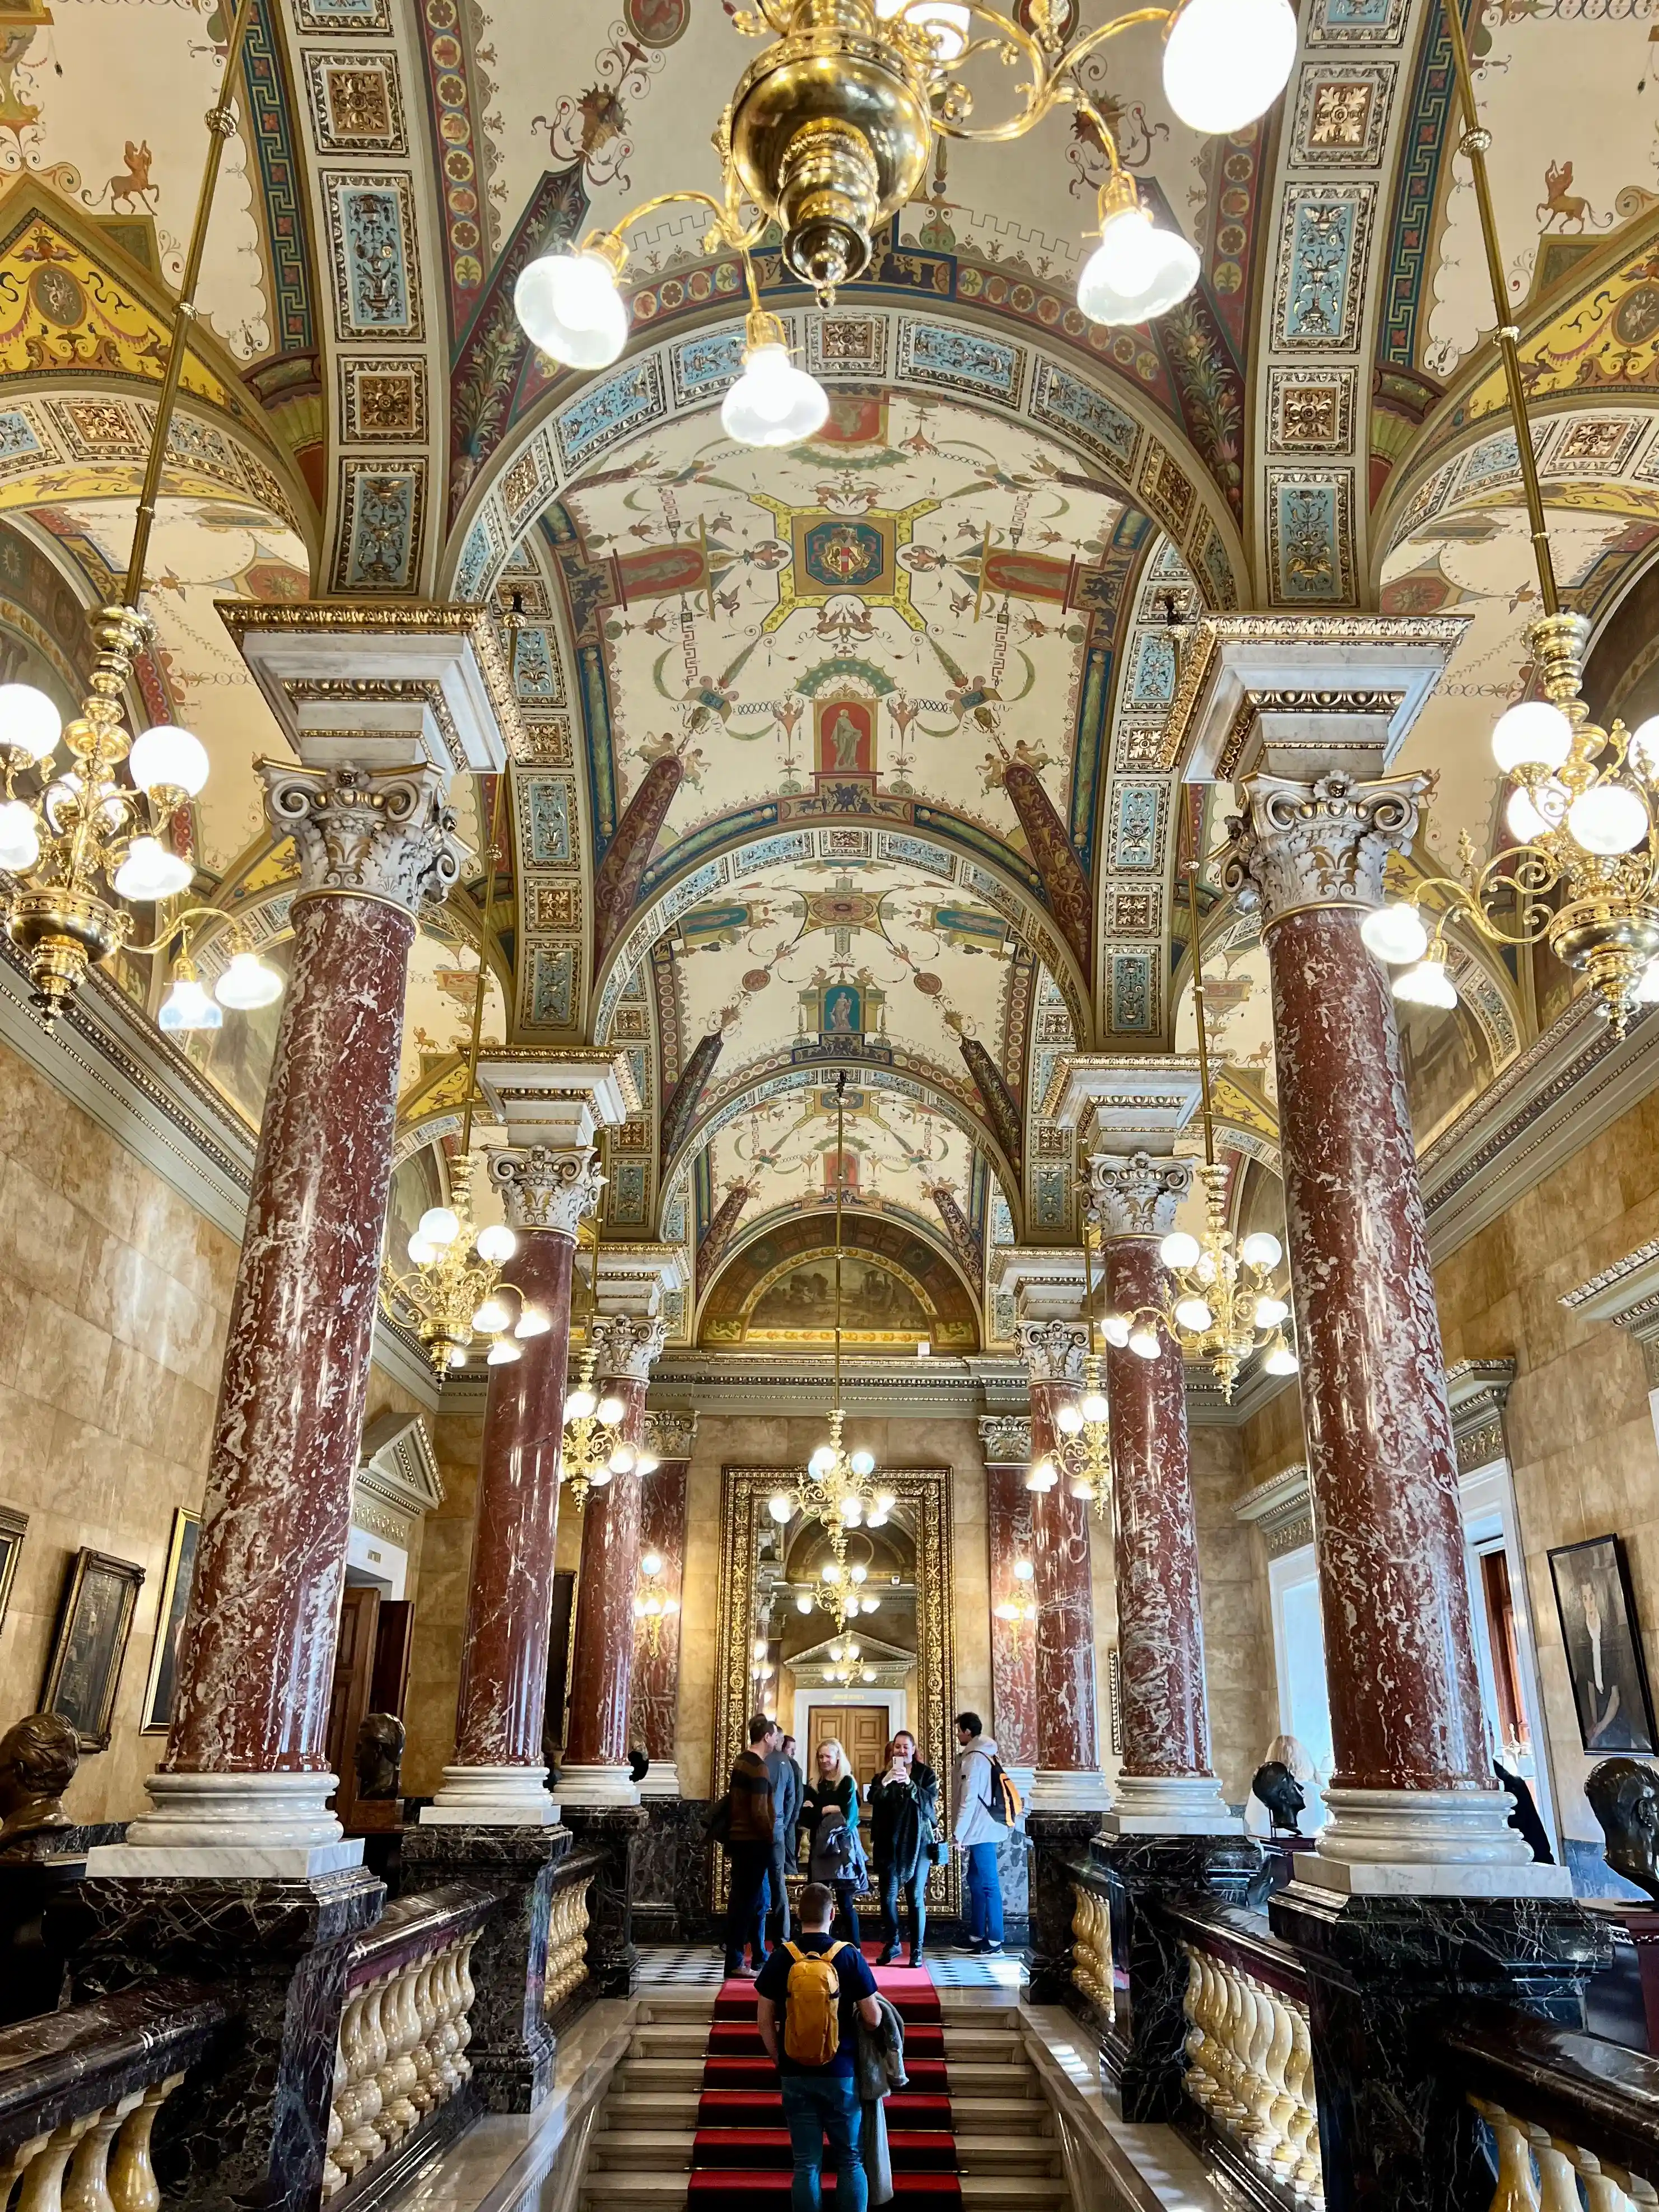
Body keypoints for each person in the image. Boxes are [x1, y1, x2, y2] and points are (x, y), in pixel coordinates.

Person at [756, 1880, 881, 2212]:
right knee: (850, 2160)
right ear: (833, 1914)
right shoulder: (849, 1956)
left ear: (798, 1915)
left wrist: (780, 2060)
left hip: (794, 2071)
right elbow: (873, 2018)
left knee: (806, 2164)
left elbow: (764, 2020)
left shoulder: (782, 1956)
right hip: (841, 2072)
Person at [866, 1729, 938, 1967]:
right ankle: (893, 1942)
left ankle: (917, 1949)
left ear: (913, 1750)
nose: (902, 1751)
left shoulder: (926, 1774)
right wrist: (886, 1782)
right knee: (887, 1898)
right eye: (898, 1747)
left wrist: (910, 1784)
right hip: (889, 1844)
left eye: (906, 1747)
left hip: (918, 1843)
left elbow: (930, 1805)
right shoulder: (881, 1777)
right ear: (892, 1749)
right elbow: (873, 1798)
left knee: (915, 1898)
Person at [724, 1713, 777, 1977]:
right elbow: (759, 1812)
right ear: (766, 1737)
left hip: (740, 1840)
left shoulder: (741, 1761)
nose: (777, 1740)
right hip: (754, 1843)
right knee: (746, 1904)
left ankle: (745, 1958)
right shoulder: (758, 1767)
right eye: (775, 1736)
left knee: (745, 1902)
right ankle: (736, 1962)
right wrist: (769, 1837)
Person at [950, 1711, 1004, 1956]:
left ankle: (995, 1939)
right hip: (984, 1827)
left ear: (967, 1732)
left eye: (959, 1731)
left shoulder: (974, 1758)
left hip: (982, 1829)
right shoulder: (987, 1754)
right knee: (975, 1880)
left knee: (989, 1884)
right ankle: (977, 1934)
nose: (957, 1735)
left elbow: (969, 1799)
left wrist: (958, 1833)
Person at [803, 1738, 864, 1948]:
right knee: (819, 1900)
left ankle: (854, 1947)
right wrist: (828, 1809)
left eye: (828, 1756)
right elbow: (806, 1818)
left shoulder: (846, 1782)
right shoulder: (814, 1785)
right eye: (820, 1756)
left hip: (842, 1848)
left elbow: (849, 1817)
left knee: (845, 1902)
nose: (823, 1760)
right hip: (820, 1847)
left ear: (838, 1758)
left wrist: (819, 1809)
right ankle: (822, 1944)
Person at [766, 1721, 805, 1947]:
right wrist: (786, 1823)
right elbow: (793, 1799)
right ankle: (783, 1936)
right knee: (779, 1883)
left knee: (754, 1885)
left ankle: (750, 1936)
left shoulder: (761, 1760)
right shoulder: (788, 1765)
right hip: (779, 1829)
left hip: (760, 1830)